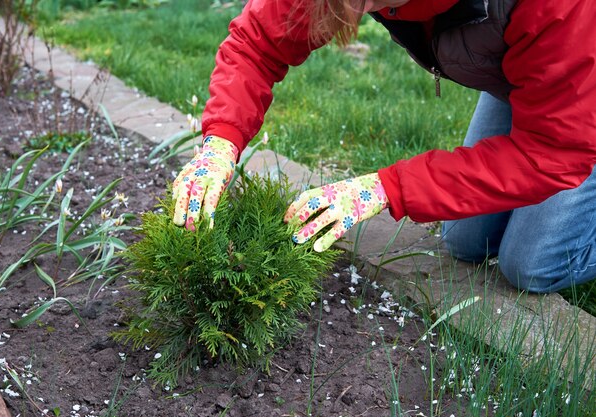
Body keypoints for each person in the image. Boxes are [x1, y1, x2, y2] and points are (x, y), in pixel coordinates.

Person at [171, 0, 596, 294]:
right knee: (465, 241)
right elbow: (257, 43)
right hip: (536, 82)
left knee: (532, 266)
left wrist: (388, 188)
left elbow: (552, 151)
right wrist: (221, 142)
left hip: (577, 89)